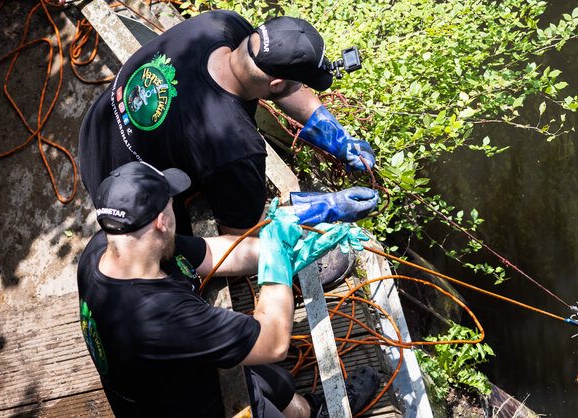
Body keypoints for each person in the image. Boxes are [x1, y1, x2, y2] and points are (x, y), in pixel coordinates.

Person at [77, 161, 379, 417]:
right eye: (171, 203)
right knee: (256, 392)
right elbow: (273, 342)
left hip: (176, 372)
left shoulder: (105, 248)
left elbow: (212, 253)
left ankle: (311, 411)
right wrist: (278, 266)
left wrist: (283, 247)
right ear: (161, 222)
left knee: (277, 385)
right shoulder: (164, 318)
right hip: (196, 406)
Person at [78, 10, 379, 238]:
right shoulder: (236, 144)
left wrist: (339, 138)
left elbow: (286, 85)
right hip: (120, 194)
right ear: (275, 84)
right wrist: (328, 207)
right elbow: (240, 233)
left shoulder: (221, 24)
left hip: (97, 130)